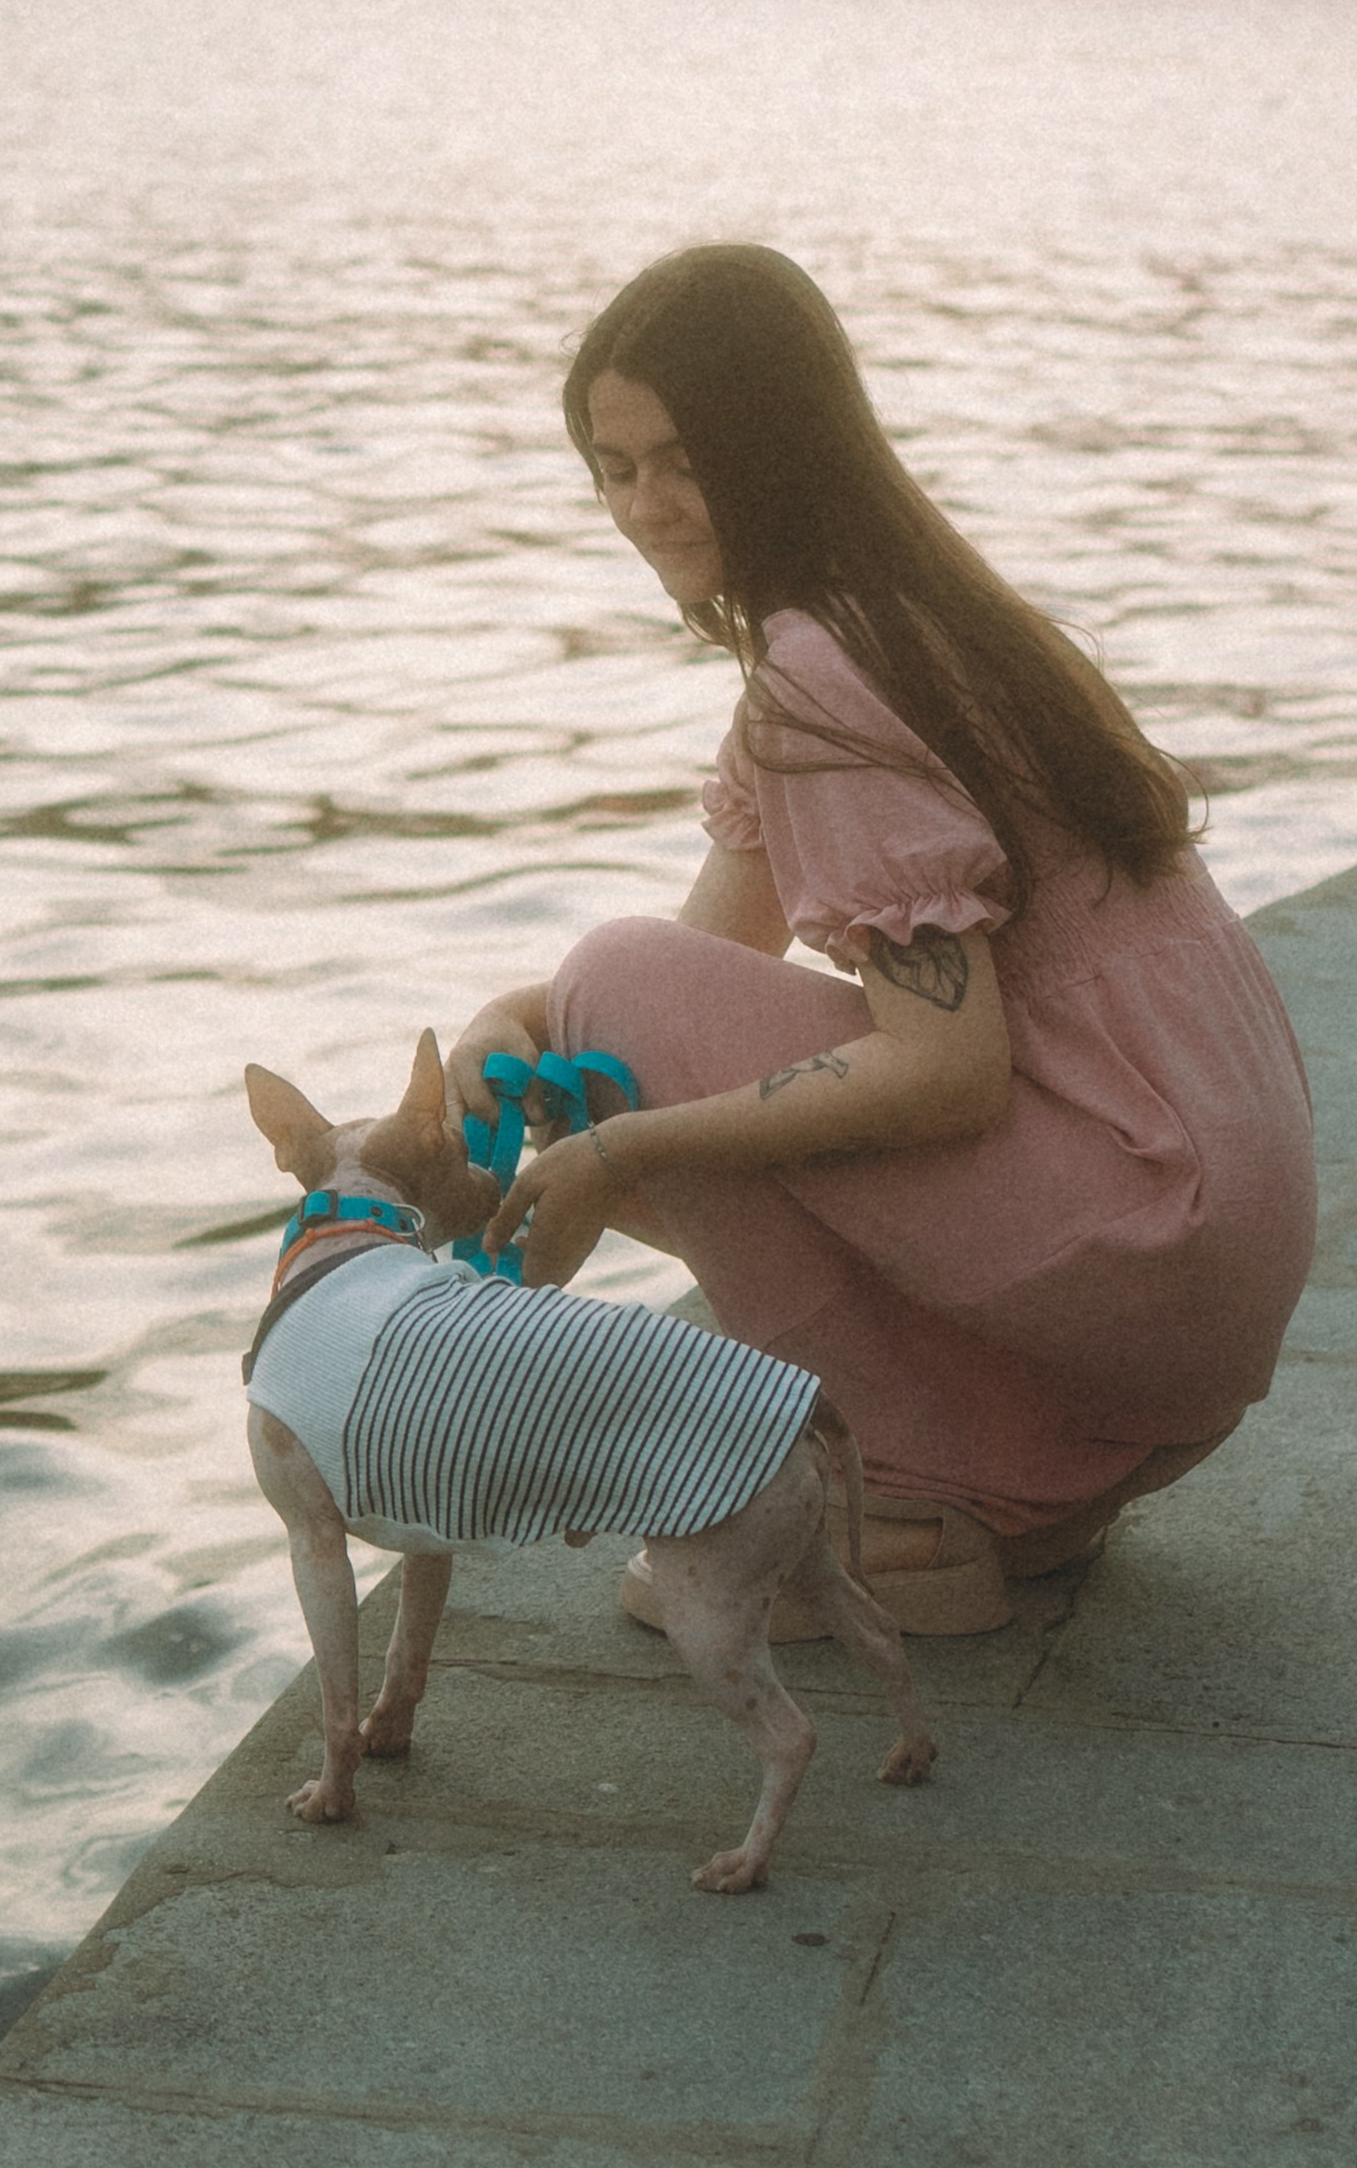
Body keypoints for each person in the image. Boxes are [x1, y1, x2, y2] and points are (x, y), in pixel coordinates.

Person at [450, 244, 1316, 1633]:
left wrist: (617, 1150)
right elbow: (691, 978)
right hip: (1201, 1265)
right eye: (613, 470)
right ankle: (1010, 1474)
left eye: (682, 460)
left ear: (779, 449)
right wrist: (515, 1031)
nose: (646, 507)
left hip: (1151, 1234)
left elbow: (947, 1069)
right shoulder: (905, 619)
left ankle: (903, 1493)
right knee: (608, 1010)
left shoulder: (823, 678)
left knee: (616, 1010)